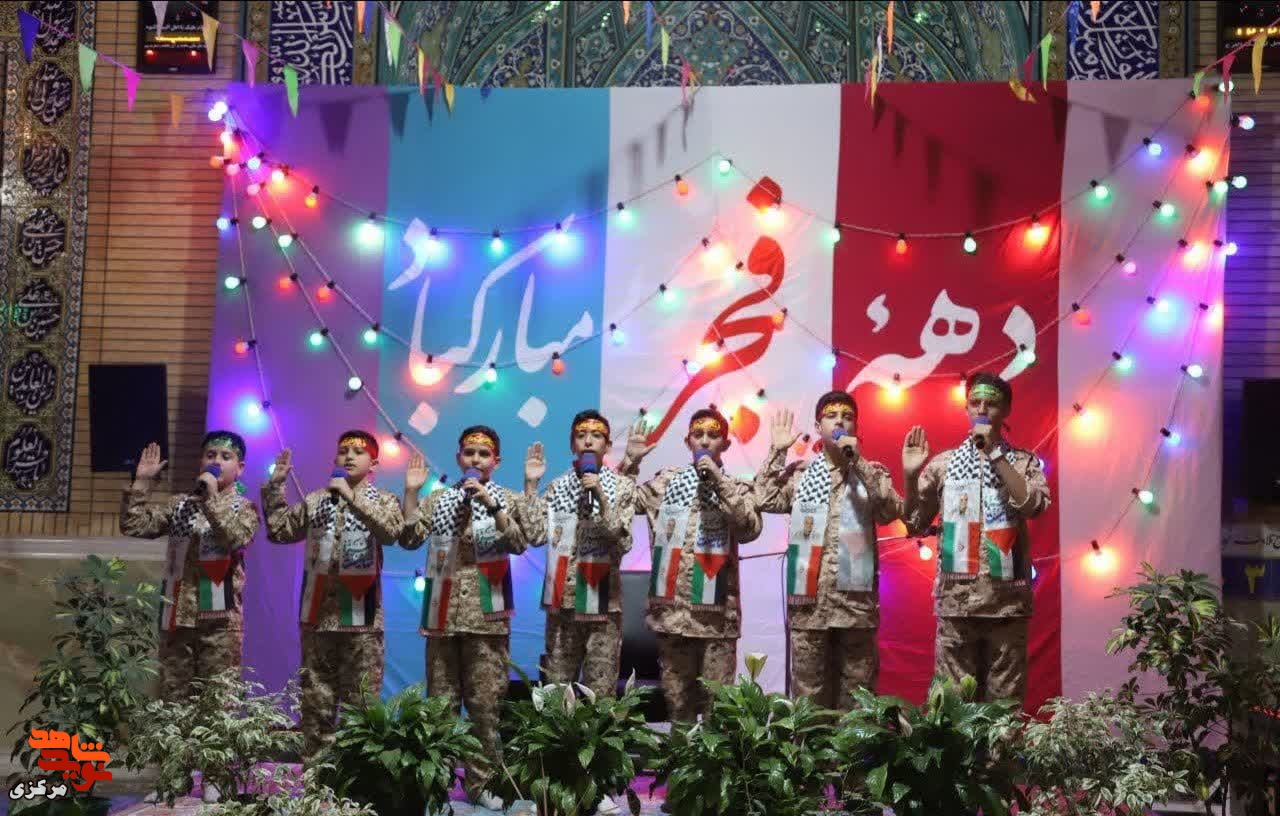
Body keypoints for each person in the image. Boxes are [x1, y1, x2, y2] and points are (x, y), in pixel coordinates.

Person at [400, 426, 545, 813]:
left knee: (485, 706)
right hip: (443, 615)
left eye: (484, 454)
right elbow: (409, 539)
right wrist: (411, 493)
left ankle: (481, 783)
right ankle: (439, 784)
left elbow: (521, 543)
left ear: (496, 462)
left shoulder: (506, 498)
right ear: (458, 457)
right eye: (469, 453)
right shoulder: (439, 499)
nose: (476, 460)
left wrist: (492, 506)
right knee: (441, 706)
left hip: (487, 617)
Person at [120, 432, 260, 803]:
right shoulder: (181, 504)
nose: (216, 461)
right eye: (210, 454)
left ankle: (215, 776)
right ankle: (172, 776)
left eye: (225, 456)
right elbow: (135, 525)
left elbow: (235, 538)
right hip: (178, 614)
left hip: (220, 620)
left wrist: (211, 498)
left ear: (240, 467)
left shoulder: (244, 507)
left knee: (217, 700)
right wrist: (142, 483)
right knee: (173, 698)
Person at [902, 372, 1050, 704]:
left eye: (991, 403)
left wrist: (996, 454)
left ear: (1006, 410)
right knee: (954, 707)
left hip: (1007, 605)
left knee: (1003, 711)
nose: (982, 409)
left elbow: (1033, 506)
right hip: (957, 606)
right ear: (967, 407)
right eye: (975, 402)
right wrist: (910, 477)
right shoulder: (943, 464)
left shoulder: (1024, 462)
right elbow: (914, 525)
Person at [753, 393, 904, 710]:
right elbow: (765, 499)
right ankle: (813, 747)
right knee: (809, 702)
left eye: (847, 416)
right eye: (831, 415)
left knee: (858, 701)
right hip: (811, 608)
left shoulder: (871, 472)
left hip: (856, 609)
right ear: (817, 426)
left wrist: (858, 461)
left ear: (856, 427)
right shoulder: (800, 475)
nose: (839, 421)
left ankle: (851, 746)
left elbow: (891, 510)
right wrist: (778, 451)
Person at [262, 431, 404, 763]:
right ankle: (316, 776)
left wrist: (352, 499)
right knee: (316, 705)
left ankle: (355, 780)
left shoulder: (383, 500)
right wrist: (275, 486)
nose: (349, 456)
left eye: (358, 451)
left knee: (361, 707)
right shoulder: (317, 500)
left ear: (373, 463)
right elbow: (279, 531)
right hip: (319, 618)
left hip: (362, 622)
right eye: (343, 451)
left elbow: (391, 533)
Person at [619, 408, 763, 723]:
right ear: (688, 442)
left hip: (717, 619)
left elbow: (749, 529)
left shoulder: (737, 487)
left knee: (717, 711)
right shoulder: (665, 482)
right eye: (698, 435)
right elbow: (621, 505)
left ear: (725, 444)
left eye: (713, 435)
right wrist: (630, 463)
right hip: (673, 617)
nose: (705, 441)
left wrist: (719, 483)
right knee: (678, 710)